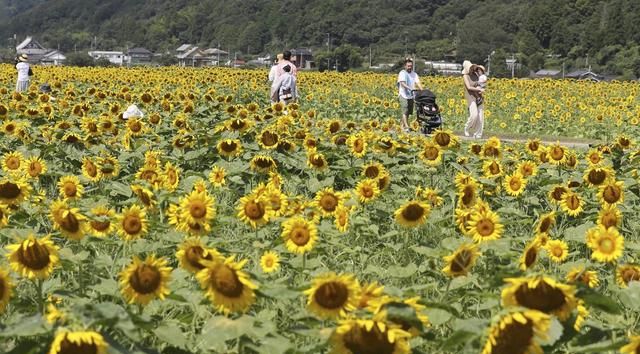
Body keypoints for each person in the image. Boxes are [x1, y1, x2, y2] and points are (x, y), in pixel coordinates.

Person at [397, 58, 423, 132]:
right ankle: (407, 126)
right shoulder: (402, 73)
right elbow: (402, 83)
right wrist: (410, 88)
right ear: (405, 66)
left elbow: (418, 82)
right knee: (404, 109)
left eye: (411, 66)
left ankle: (402, 126)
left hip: (411, 95)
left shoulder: (414, 74)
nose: (410, 67)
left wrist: (422, 90)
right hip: (403, 94)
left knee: (408, 112)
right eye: (408, 66)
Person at [462, 60, 486, 138]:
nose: (472, 69)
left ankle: (478, 134)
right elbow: (469, 87)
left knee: (480, 116)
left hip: (479, 96)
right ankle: (467, 128)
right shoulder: (465, 76)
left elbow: (482, 80)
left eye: (473, 67)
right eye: (470, 68)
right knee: (474, 115)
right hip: (470, 96)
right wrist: (479, 90)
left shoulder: (476, 74)